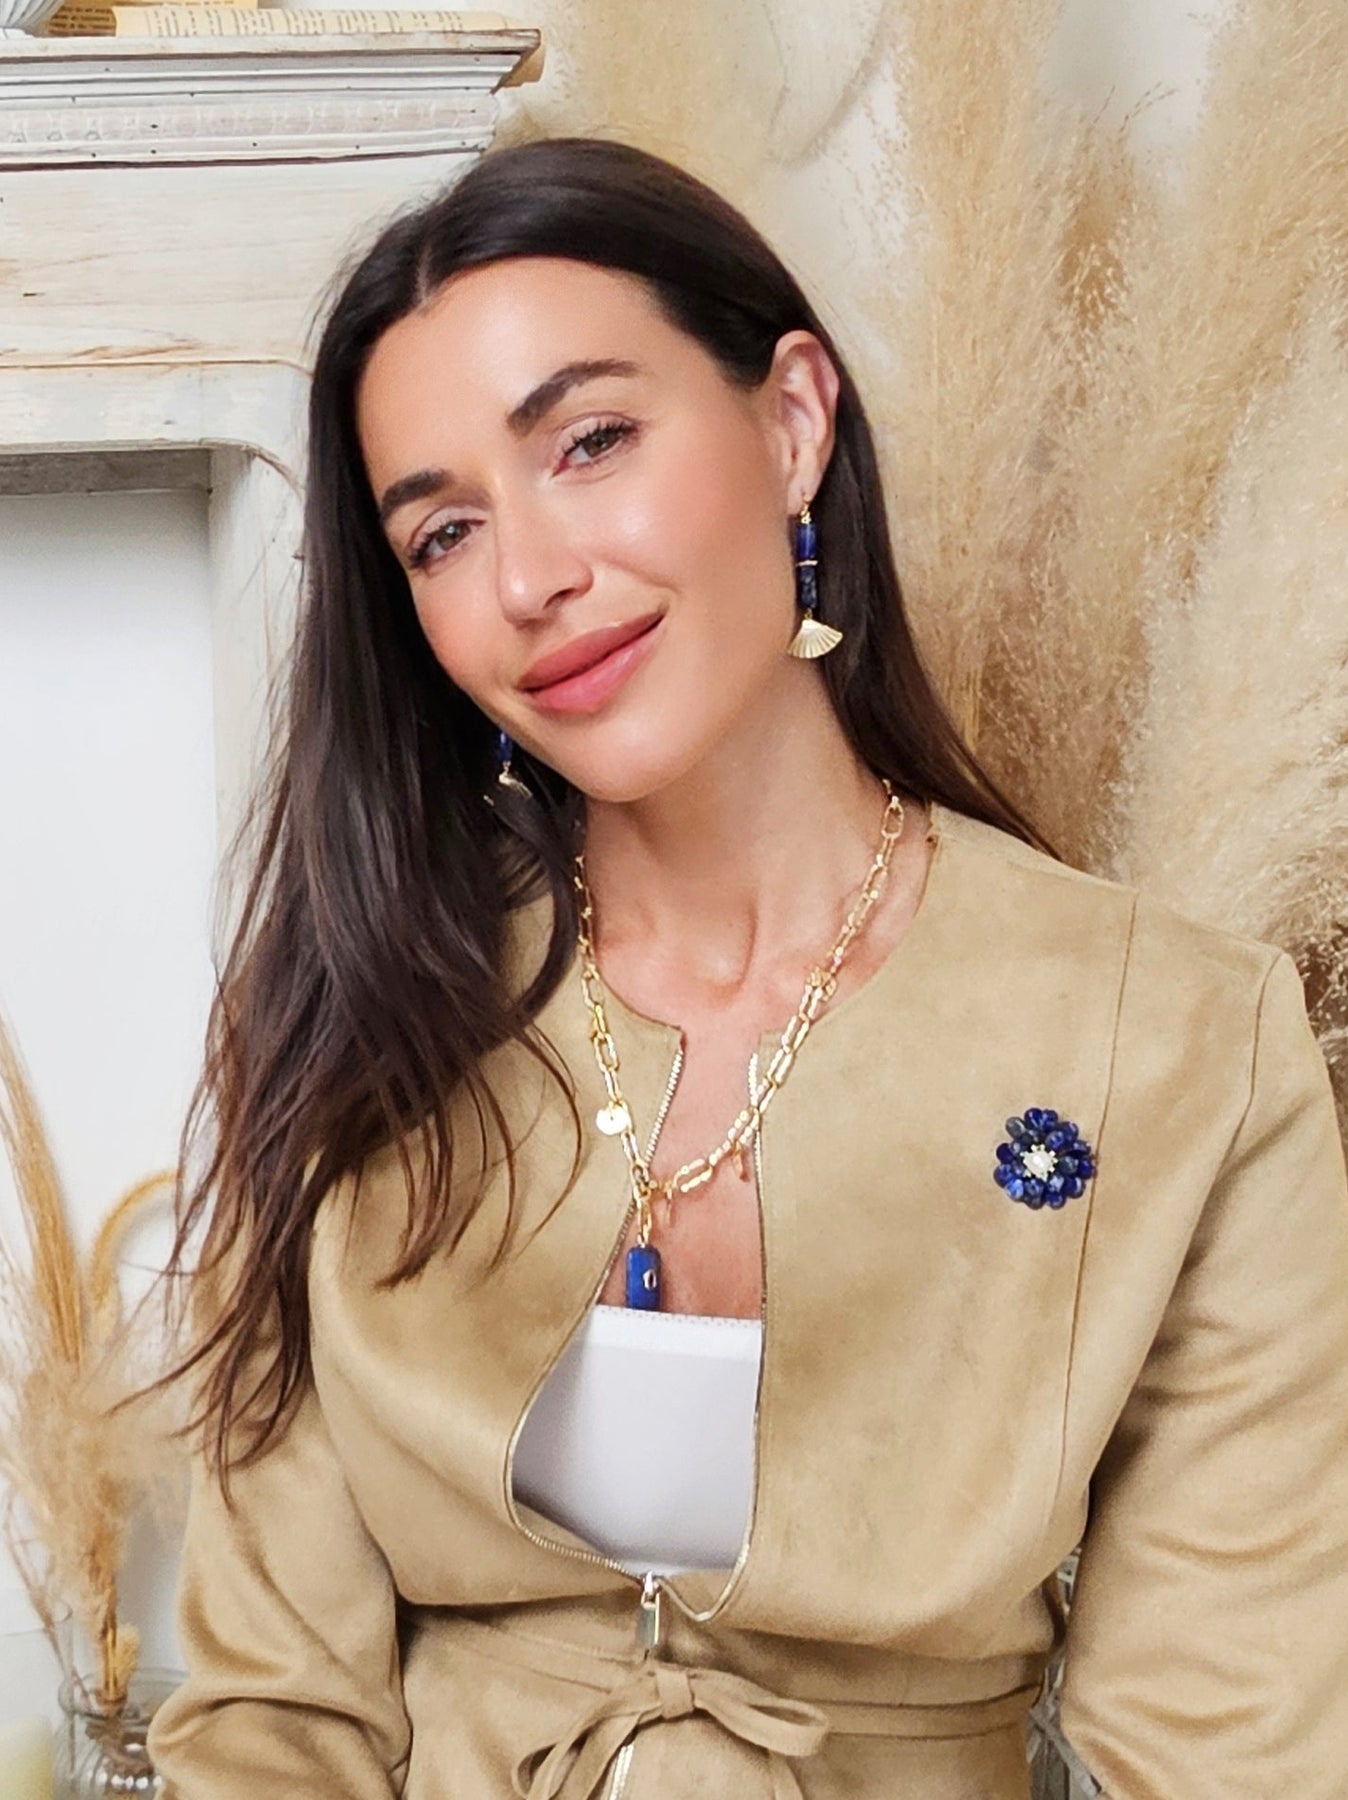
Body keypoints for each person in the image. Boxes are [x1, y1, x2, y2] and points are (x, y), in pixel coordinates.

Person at [147, 137, 1348, 1800]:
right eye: (442, 533)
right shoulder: (364, 1013)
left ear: (791, 421)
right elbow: (270, 1727)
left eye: (591, 442)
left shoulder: (1174, 1041)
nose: (530, 580)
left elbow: (1233, 1746)